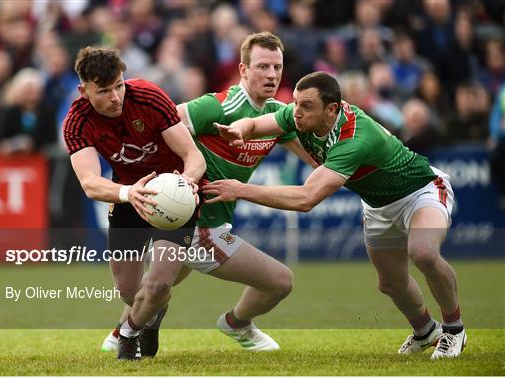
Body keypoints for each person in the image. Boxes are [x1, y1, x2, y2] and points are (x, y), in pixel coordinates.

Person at [205, 71, 467, 359]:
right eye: (294, 103)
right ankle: (425, 331)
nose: (296, 112)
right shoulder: (297, 117)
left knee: (424, 253)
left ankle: (454, 330)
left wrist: (241, 190)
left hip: (420, 191)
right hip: (378, 205)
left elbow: (306, 199)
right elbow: (256, 123)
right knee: (390, 283)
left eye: (306, 106)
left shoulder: (354, 137)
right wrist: (240, 129)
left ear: (332, 109)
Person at [100, 32, 317, 355]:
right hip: (198, 224)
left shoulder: (277, 115)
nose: (271, 75)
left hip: (215, 221)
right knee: (280, 281)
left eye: (277, 67)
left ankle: (122, 332)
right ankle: (236, 323)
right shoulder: (215, 107)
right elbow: (162, 125)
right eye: (262, 67)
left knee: (158, 285)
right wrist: (165, 183)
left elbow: (318, 160)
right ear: (242, 70)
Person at [62, 46, 206, 360]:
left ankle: (128, 334)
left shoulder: (149, 97)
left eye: (119, 85)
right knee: (130, 291)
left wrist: (188, 182)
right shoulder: (75, 122)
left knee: (155, 286)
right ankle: (152, 318)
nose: (115, 97)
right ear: (83, 90)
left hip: (175, 196)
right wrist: (129, 194)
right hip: (128, 197)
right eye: (104, 91)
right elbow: (90, 183)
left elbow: (193, 157)